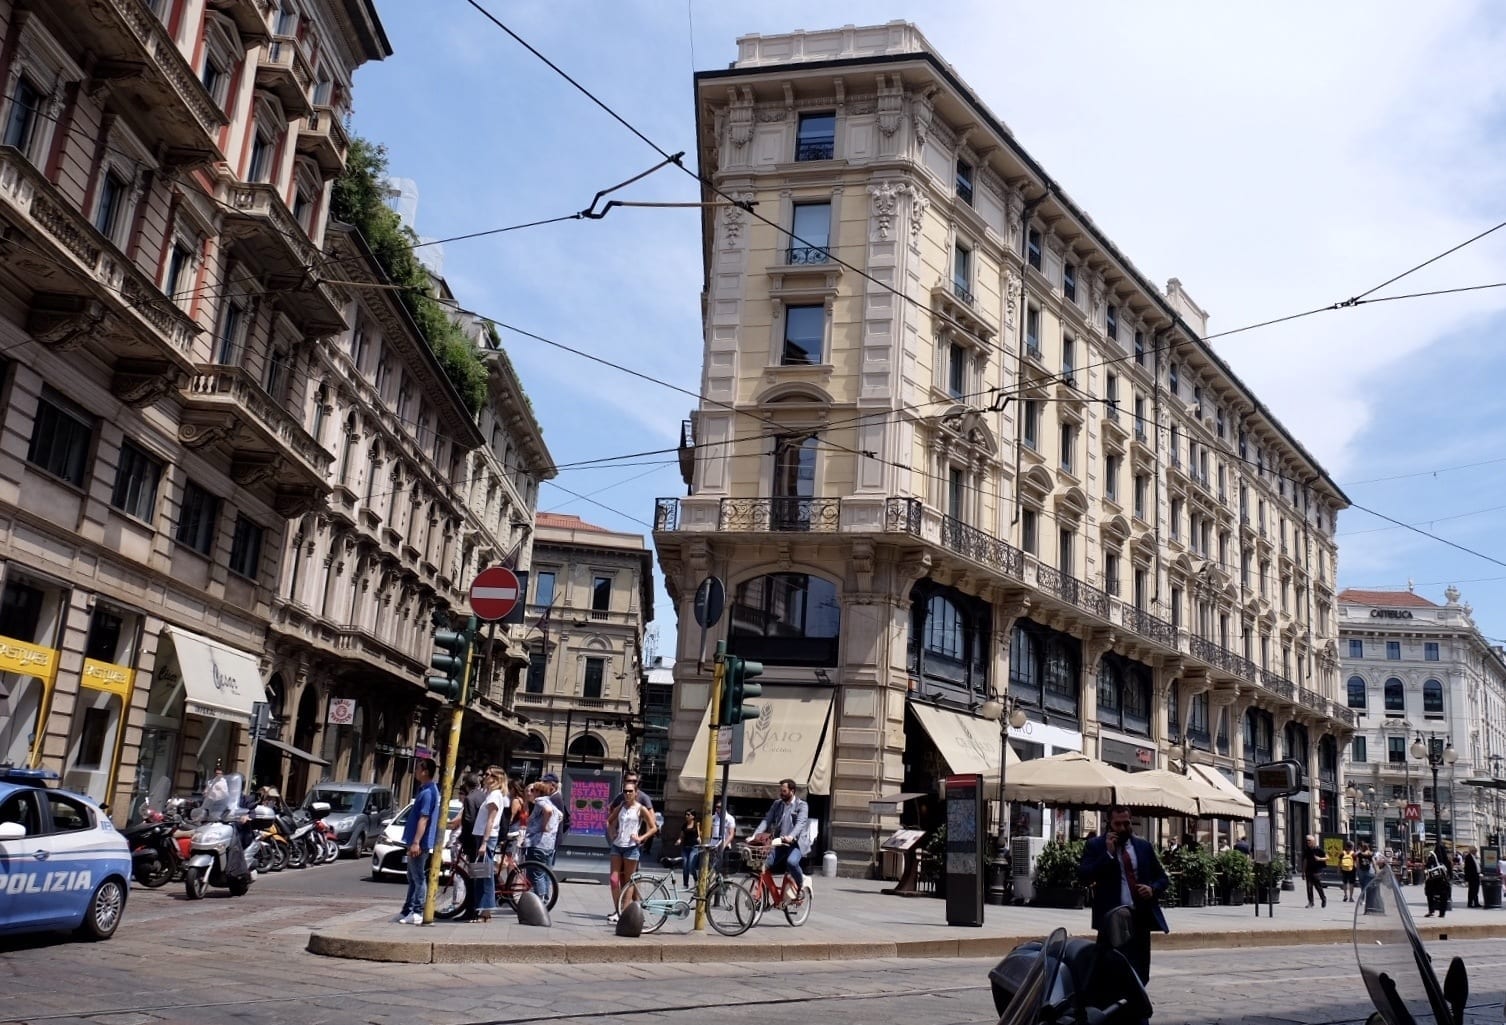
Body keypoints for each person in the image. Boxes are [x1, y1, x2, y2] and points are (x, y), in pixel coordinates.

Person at [1077, 805, 1169, 984]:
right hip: (1112, 917)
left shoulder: (1143, 846)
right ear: (1109, 824)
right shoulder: (1095, 846)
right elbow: (1084, 875)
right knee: (1108, 970)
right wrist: (1108, 855)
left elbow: (1162, 878)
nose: (1122, 828)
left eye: (1126, 823)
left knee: (1140, 970)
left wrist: (1152, 889)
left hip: (1139, 916)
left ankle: (1135, 1005)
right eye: (1117, 824)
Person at [751, 778, 812, 897]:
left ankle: (801, 884)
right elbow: (767, 820)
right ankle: (765, 896)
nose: (781, 793)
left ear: (792, 791)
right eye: (781, 791)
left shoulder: (802, 805)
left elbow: (800, 823)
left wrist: (791, 836)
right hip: (780, 842)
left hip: (796, 843)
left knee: (791, 862)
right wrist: (755, 835)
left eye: (784, 791)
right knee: (764, 864)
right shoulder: (777, 804)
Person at [606, 780, 656, 923]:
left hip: (631, 848)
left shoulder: (641, 808)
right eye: (625, 791)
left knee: (629, 881)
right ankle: (617, 909)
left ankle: (623, 911)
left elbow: (653, 827)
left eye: (630, 791)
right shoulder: (621, 806)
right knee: (614, 879)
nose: (627, 794)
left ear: (636, 793)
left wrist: (641, 838)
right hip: (617, 845)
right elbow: (609, 821)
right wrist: (612, 834)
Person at [398, 757, 439, 925]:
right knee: (413, 876)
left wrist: (416, 842)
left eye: (418, 769)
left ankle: (417, 911)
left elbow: (424, 818)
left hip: (420, 842)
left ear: (426, 771)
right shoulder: (426, 790)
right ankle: (408, 909)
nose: (415, 772)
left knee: (418, 877)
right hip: (417, 841)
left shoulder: (429, 793)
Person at [468, 768, 506, 923]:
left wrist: (484, 842)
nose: (485, 776)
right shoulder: (491, 794)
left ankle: (486, 911)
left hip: (486, 838)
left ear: (496, 779)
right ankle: (482, 909)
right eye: (486, 773)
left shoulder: (495, 796)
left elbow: (491, 820)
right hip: (483, 836)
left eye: (489, 774)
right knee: (481, 873)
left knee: (485, 874)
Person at [446, 773, 484, 921]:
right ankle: (476, 909)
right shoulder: (482, 796)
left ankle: (470, 910)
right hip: (480, 840)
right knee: (477, 876)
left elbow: (468, 821)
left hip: (472, 842)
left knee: (470, 877)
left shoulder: (470, 799)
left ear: (466, 785)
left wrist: (462, 840)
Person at [522, 781, 559, 905]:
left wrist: (543, 826)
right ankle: (546, 899)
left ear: (539, 792)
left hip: (537, 842)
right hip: (549, 844)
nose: (530, 793)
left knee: (536, 873)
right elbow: (561, 816)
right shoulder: (551, 802)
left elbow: (547, 811)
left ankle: (540, 901)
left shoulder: (541, 801)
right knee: (545, 874)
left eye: (533, 791)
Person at [1424, 842, 1451, 917]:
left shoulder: (1432, 857)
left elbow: (1427, 866)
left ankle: (1431, 910)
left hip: (1432, 881)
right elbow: (1449, 870)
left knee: (1430, 895)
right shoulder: (1446, 859)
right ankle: (1442, 913)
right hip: (1443, 881)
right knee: (1444, 896)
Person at [675, 809, 700, 889]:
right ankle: (685, 884)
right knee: (685, 866)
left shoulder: (696, 825)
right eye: (686, 814)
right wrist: (679, 840)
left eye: (688, 814)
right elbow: (681, 835)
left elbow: (699, 834)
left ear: (693, 816)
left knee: (691, 865)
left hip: (694, 848)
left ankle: (696, 880)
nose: (686, 816)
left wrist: (699, 839)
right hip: (685, 848)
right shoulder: (684, 825)